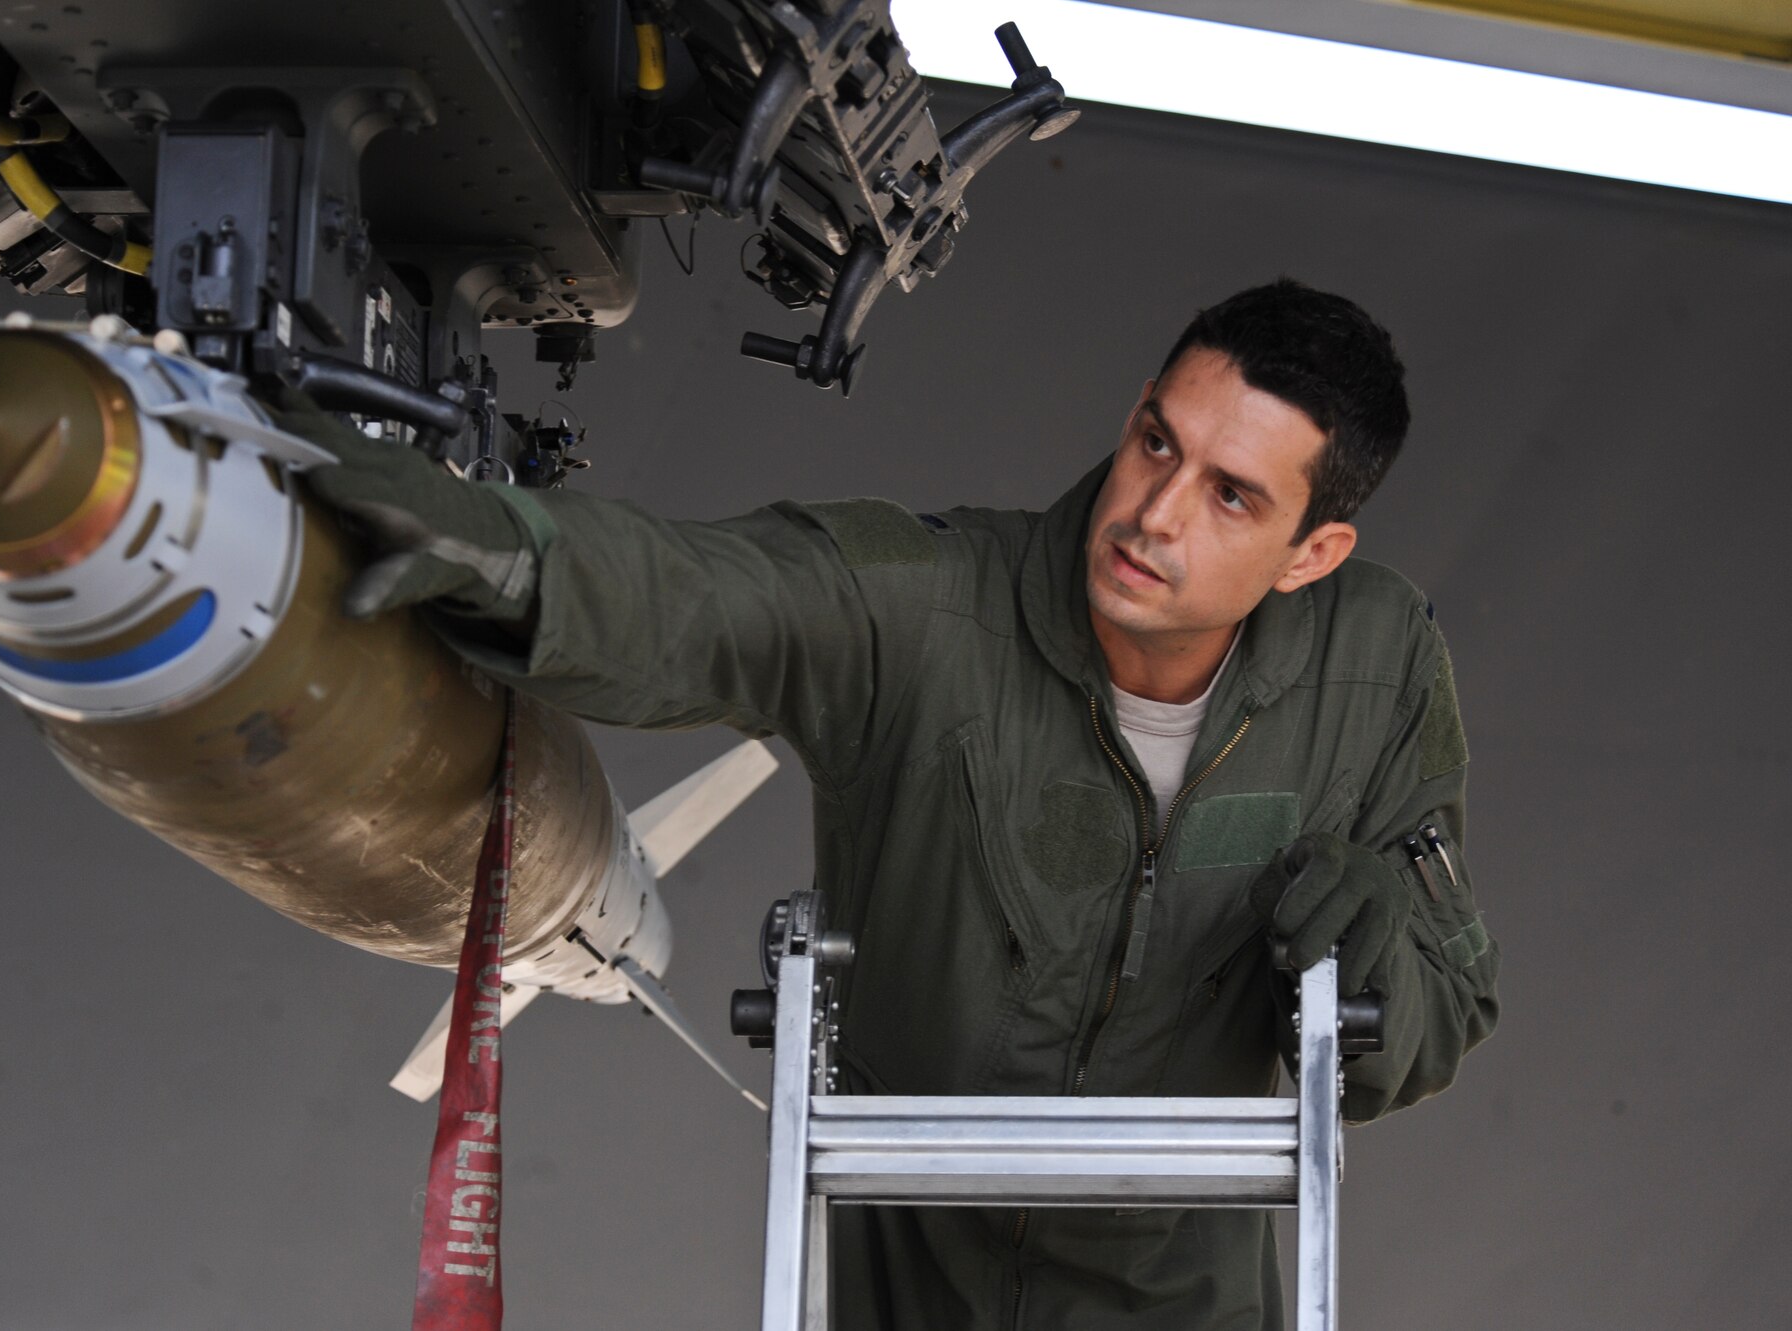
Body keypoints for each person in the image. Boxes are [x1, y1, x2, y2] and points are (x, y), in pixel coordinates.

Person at [296, 278, 1500, 1330]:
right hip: (906, 1274)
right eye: (1153, 442)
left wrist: (1372, 945)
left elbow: (1441, 1012)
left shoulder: (1377, 661)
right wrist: (506, 554)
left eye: (1231, 496)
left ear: (1310, 553)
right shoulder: (927, 610)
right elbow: (706, 596)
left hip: (1183, 1291)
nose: (1154, 512)